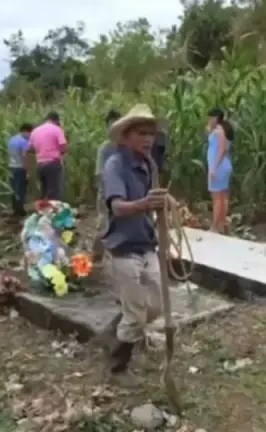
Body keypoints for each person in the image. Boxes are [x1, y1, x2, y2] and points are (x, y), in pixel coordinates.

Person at [100, 104, 173, 386]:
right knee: (135, 313)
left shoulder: (147, 164)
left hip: (145, 242)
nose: (148, 139)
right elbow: (117, 207)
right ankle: (117, 368)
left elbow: (155, 198)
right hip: (123, 246)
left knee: (155, 306)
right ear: (126, 136)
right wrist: (144, 204)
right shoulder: (115, 165)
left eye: (151, 134)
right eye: (141, 133)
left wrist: (165, 202)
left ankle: (117, 331)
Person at [92, 108, 122, 260]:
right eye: (111, 126)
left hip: (123, 195)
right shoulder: (105, 148)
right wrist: (105, 195)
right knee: (103, 225)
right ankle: (96, 256)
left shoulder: (126, 147)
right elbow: (99, 174)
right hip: (106, 193)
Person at [206, 108, 234, 233]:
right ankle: (222, 224)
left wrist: (214, 167)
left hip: (219, 167)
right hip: (224, 165)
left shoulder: (218, 131)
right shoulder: (222, 129)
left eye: (210, 117)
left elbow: (221, 149)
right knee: (223, 196)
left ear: (216, 118)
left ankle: (215, 227)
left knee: (216, 197)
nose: (208, 120)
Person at [28, 112, 67, 201]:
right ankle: (53, 213)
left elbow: (30, 148)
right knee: (54, 191)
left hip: (40, 164)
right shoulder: (57, 129)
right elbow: (63, 146)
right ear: (56, 120)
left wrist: (40, 152)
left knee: (44, 191)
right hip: (53, 163)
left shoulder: (35, 131)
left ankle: (45, 211)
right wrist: (60, 153)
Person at [8, 123, 33, 216]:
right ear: (25, 131)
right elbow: (24, 156)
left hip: (11, 166)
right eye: (30, 133)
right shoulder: (23, 141)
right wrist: (27, 171)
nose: (30, 136)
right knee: (21, 189)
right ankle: (20, 210)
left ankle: (15, 208)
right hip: (20, 168)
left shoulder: (12, 139)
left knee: (14, 188)